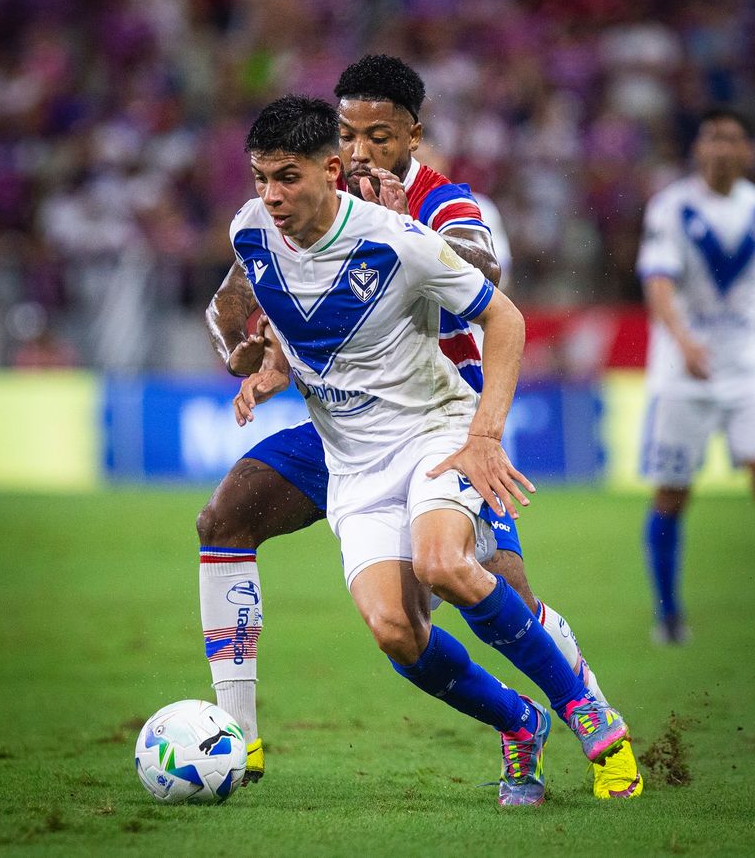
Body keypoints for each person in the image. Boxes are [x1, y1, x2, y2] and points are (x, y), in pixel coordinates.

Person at [199, 55, 641, 799]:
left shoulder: (433, 210)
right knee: (264, 541)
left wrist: (485, 434)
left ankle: (591, 713)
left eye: (377, 135)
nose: (364, 150)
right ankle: (240, 733)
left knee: (476, 575)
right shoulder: (260, 226)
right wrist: (259, 352)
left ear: (412, 133)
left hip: (445, 415)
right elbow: (238, 307)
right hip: (344, 436)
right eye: (350, 133)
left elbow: (486, 285)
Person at [637, 107, 755, 643]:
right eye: (712, 138)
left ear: (746, 151)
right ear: (698, 149)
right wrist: (683, 339)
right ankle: (668, 614)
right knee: (672, 495)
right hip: (683, 374)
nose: (721, 148)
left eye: (731, 139)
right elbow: (658, 279)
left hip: (746, 368)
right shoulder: (672, 206)